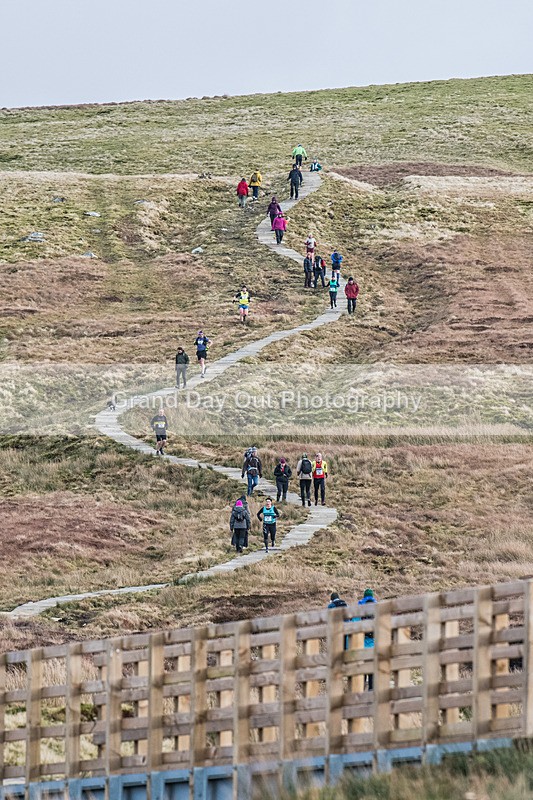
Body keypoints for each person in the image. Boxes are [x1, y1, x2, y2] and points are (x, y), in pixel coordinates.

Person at [356, 589, 378, 690]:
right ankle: (371, 691)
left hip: (362, 644)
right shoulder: (377, 609)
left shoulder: (360, 608)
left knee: (362, 670)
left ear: (364, 596)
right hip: (373, 644)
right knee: (372, 670)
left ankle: (361, 690)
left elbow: (354, 624)